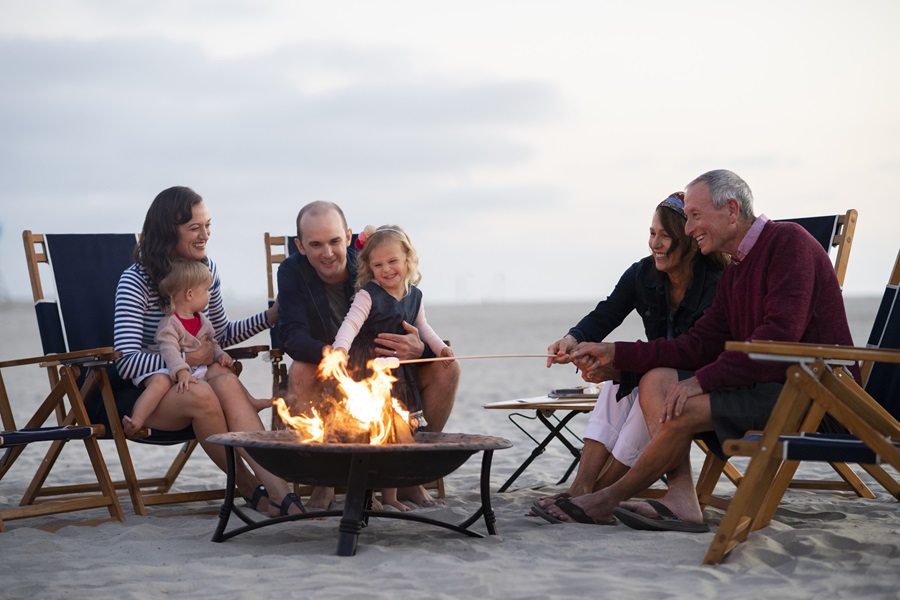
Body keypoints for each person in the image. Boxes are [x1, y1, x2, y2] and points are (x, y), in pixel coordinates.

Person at [540, 169, 859, 529]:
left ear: (732, 210)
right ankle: (681, 498)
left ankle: (606, 498)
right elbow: (698, 345)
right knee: (658, 380)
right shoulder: (736, 271)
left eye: (694, 216)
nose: (689, 230)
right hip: (768, 385)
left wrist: (701, 381)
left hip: (815, 394)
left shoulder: (788, 243)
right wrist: (616, 353)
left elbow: (776, 341)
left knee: (683, 403)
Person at [113, 186, 306, 517]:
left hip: (195, 379)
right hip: (149, 395)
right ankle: (248, 488)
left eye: (208, 225)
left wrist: (269, 317)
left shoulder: (206, 270)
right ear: (167, 230)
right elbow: (126, 361)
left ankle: (280, 494)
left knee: (226, 381)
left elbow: (220, 335)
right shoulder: (137, 280)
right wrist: (186, 362)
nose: (205, 235)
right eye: (194, 228)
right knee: (204, 392)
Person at [532, 193, 727, 516]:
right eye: (652, 234)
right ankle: (584, 487)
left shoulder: (715, 283)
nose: (656, 244)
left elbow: (695, 352)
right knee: (615, 386)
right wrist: (572, 339)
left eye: (666, 236)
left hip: (701, 382)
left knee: (647, 383)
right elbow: (607, 313)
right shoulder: (643, 274)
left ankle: (602, 496)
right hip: (660, 374)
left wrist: (621, 363)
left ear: (689, 242)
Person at [278, 201, 460, 509]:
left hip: (386, 367)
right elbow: (291, 336)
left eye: (335, 241)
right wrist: (333, 355)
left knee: (448, 368)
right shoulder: (293, 272)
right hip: (332, 364)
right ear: (300, 246)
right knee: (299, 369)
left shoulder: (370, 263)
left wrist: (422, 348)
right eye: (315, 244)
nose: (327, 252)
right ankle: (325, 481)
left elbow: (418, 324)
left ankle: (408, 473)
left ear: (348, 237)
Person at [331, 224, 455, 511]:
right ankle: (367, 496)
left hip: (400, 377)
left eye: (392, 261)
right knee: (372, 436)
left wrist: (440, 349)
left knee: (397, 434)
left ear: (407, 260)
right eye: (378, 264)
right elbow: (350, 324)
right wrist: (339, 349)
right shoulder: (367, 295)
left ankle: (391, 497)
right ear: (368, 267)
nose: (386, 269)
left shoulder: (415, 296)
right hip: (369, 375)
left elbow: (423, 328)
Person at [122, 258, 234, 439]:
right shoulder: (170, 324)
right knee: (161, 382)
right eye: (206, 290)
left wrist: (221, 354)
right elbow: (169, 351)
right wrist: (182, 370)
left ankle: (250, 403)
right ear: (190, 294)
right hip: (160, 367)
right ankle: (136, 421)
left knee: (223, 375)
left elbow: (212, 343)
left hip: (188, 371)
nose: (210, 294)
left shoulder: (203, 321)